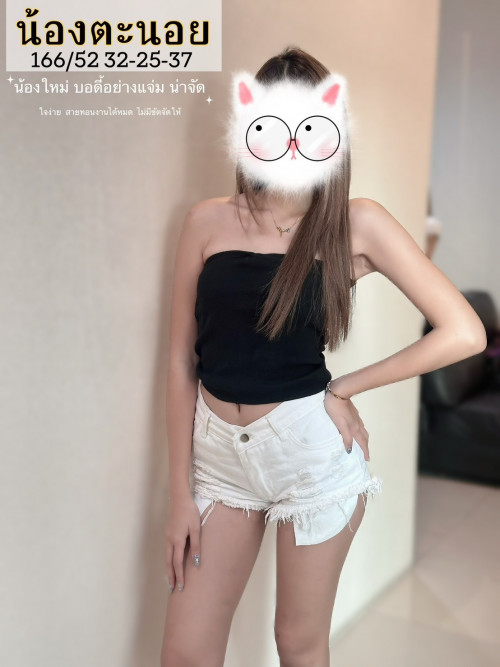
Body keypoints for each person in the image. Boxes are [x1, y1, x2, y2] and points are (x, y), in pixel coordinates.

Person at [160, 47, 487, 667]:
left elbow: (463, 331)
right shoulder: (206, 222)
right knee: (185, 654)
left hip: (309, 458)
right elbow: (181, 361)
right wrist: (180, 495)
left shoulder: (354, 224)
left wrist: (344, 388)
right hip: (218, 464)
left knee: (299, 645)